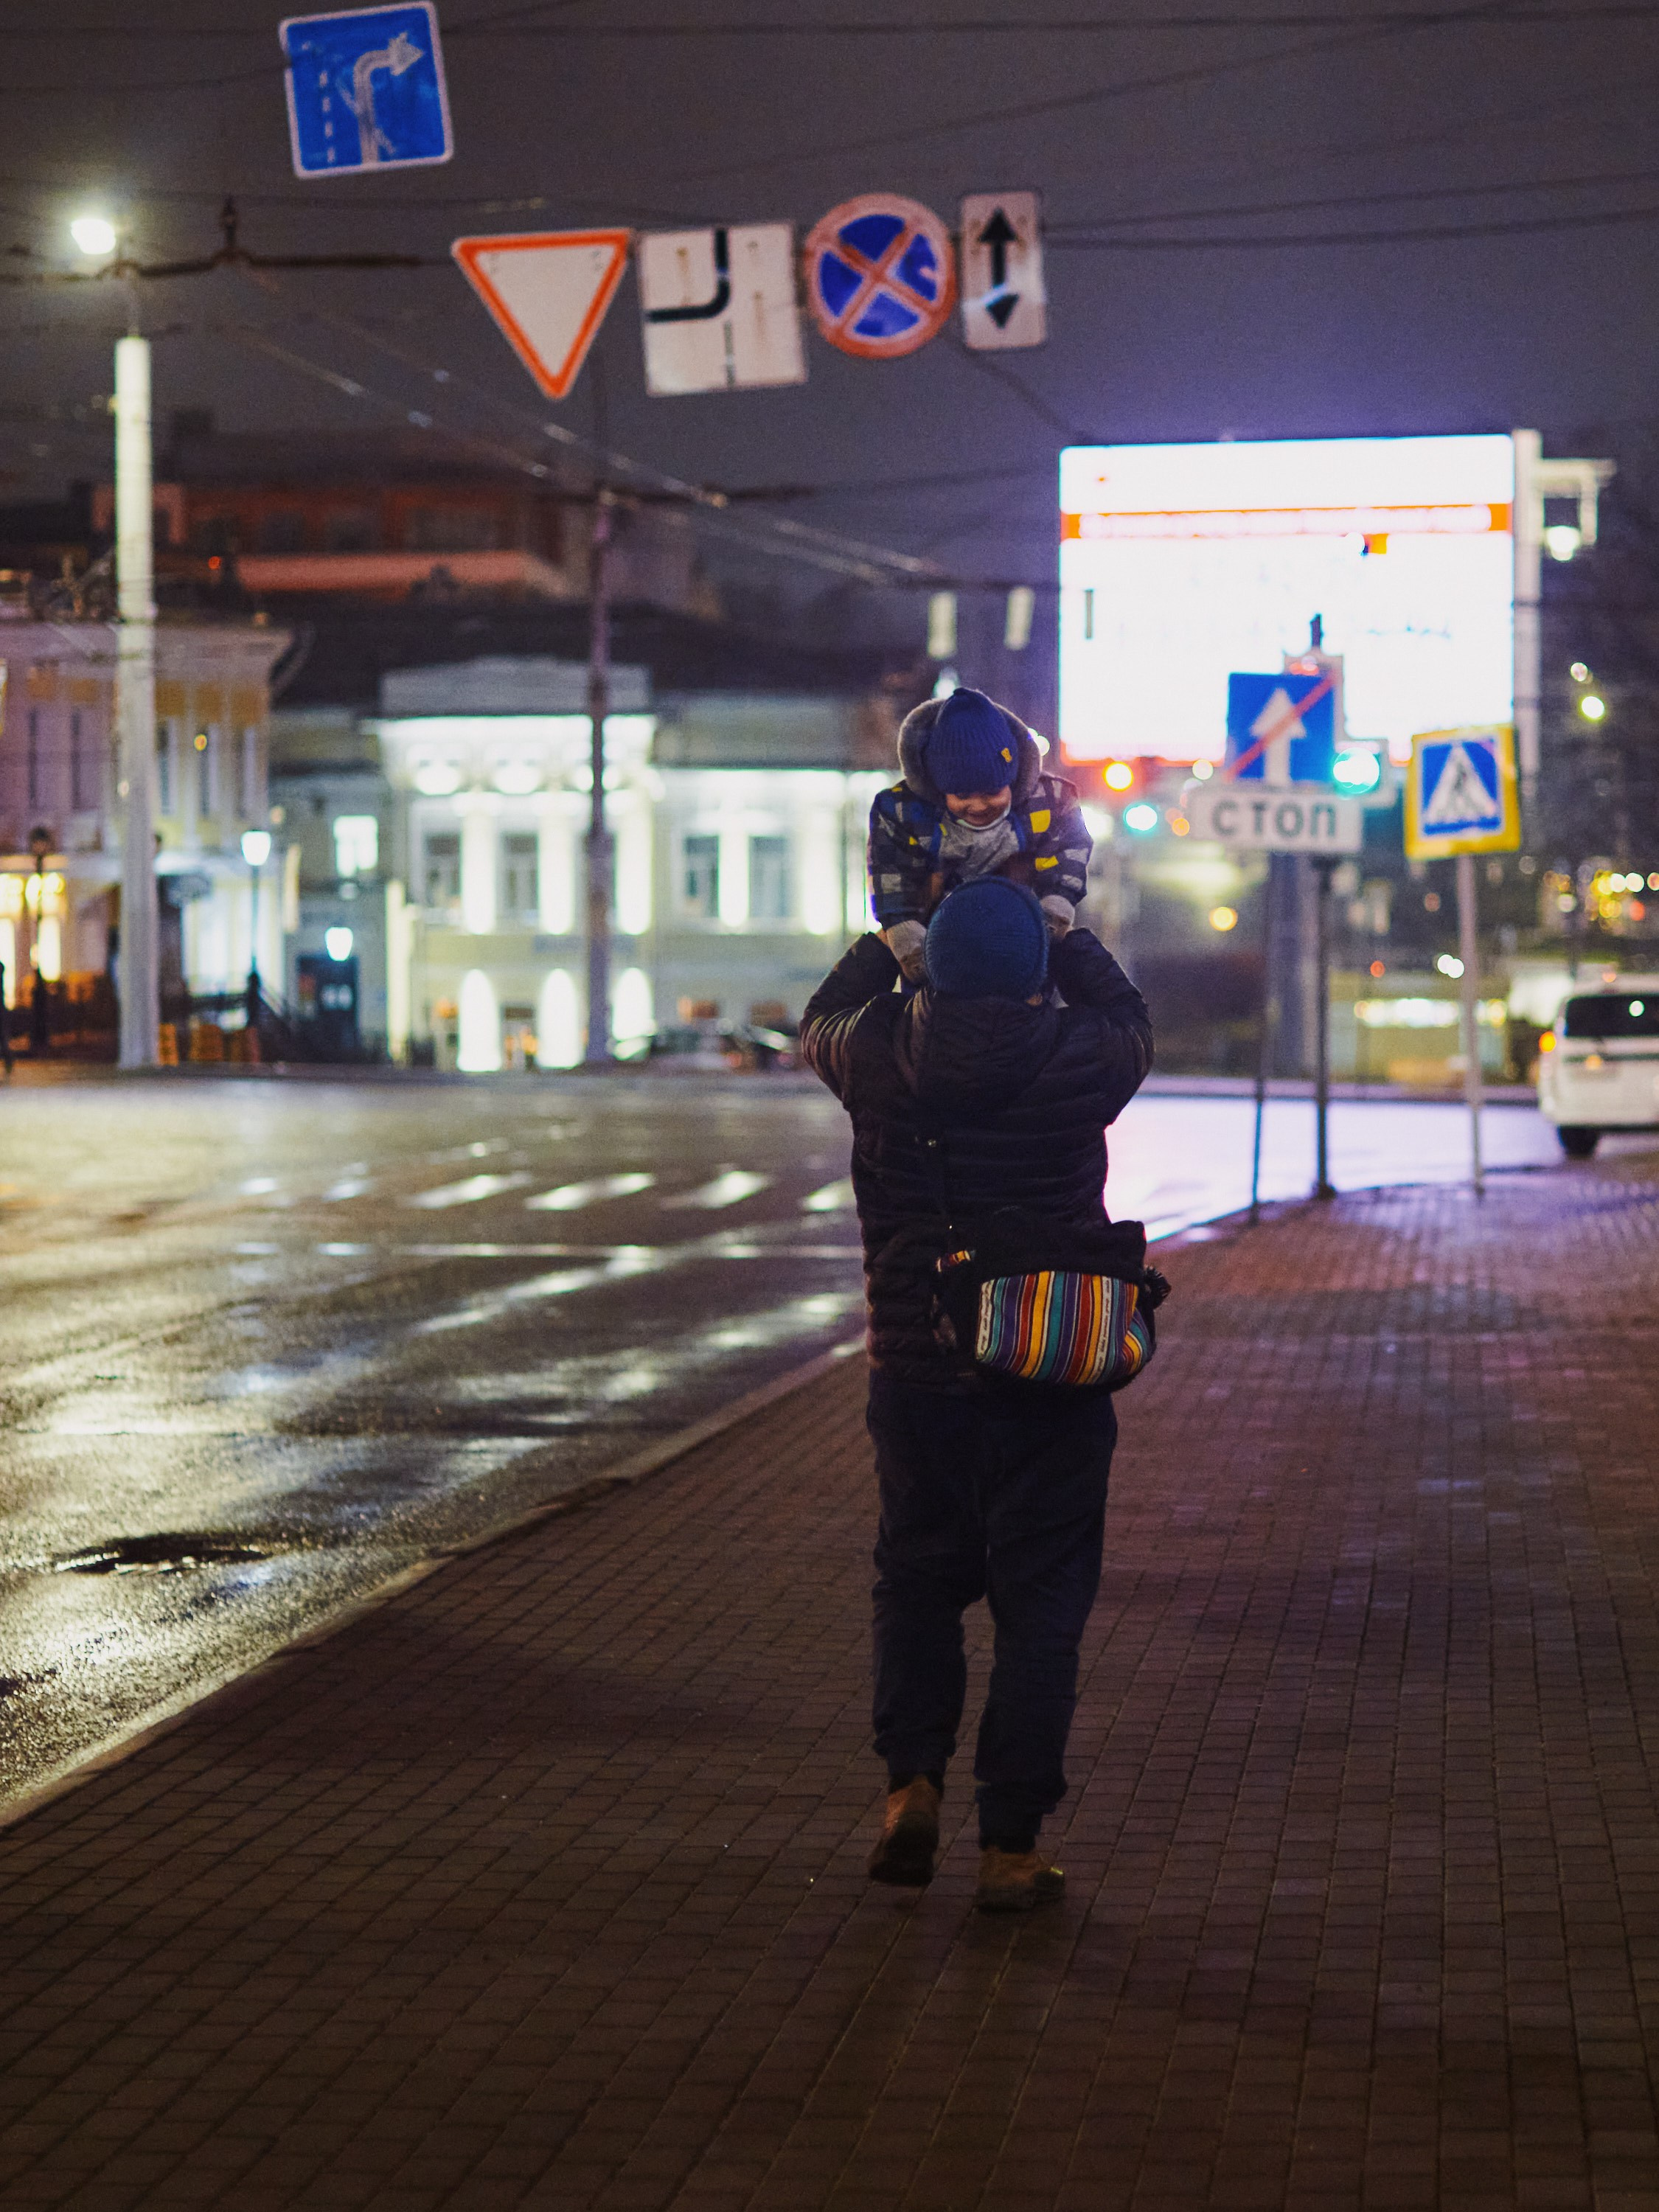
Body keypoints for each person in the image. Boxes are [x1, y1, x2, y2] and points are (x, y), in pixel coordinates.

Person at [800, 875, 1152, 1911]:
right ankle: (1007, 1846)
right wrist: (1066, 931)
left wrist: (892, 936)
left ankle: (910, 1784)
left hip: (916, 1371)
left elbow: (816, 1021)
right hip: (1046, 1364)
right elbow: (1130, 1017)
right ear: (1037, 970)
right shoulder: (1084, 1058)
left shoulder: (872, 1055)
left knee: (914, 1579)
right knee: (1040, 1608)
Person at [867, 686, 1092, 984]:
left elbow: (1069, 848)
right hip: (939, 950)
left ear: (1011, 780)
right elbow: (891, 869)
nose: (978, 805)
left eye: (992, 792)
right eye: (961, 795)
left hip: (1022, 945)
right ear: (939, 788)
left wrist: (1057, 902)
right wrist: (903, 927)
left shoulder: (1051, 802)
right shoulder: (903, 814)